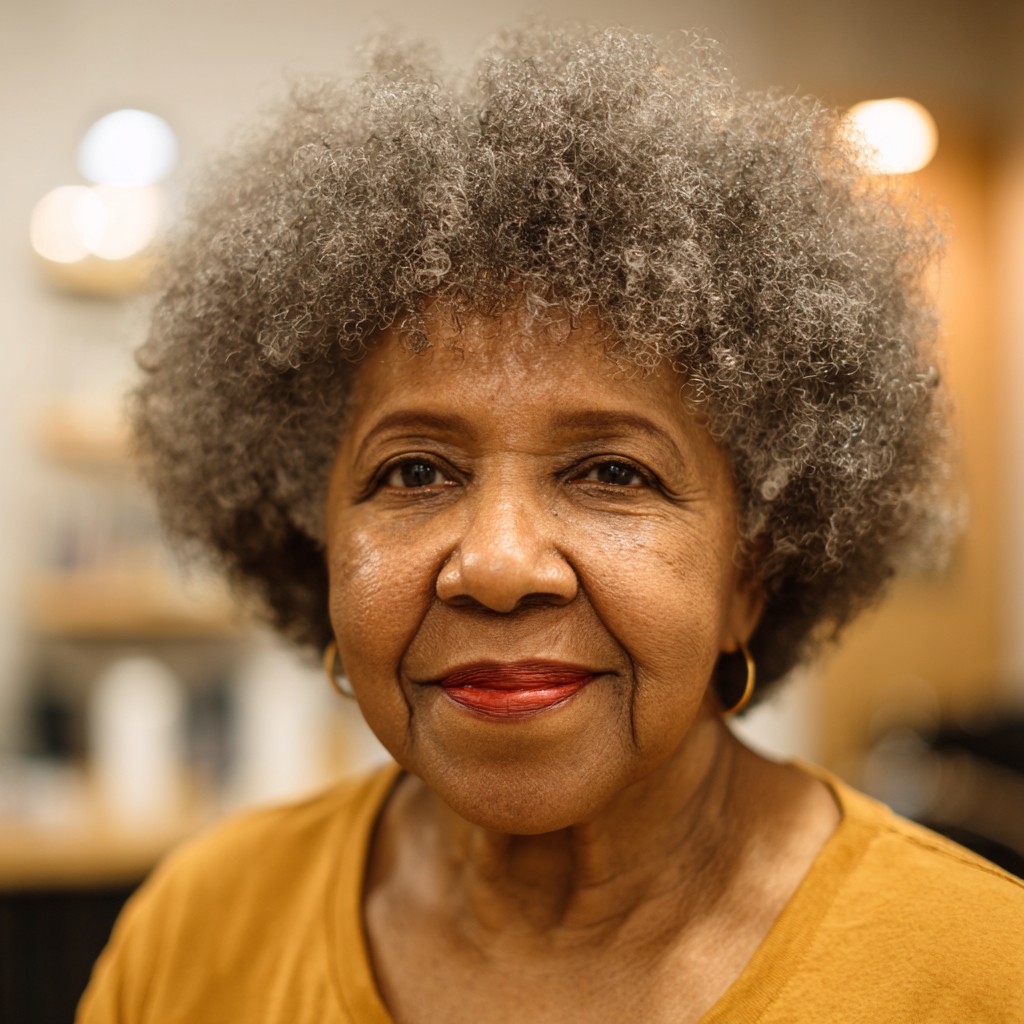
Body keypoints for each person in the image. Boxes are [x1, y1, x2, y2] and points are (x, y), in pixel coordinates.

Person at [78, 25, 1022, 1024]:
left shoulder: (978, 976)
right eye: (413, 471)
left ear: (751, 573)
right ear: (316, 543)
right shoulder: (194, 936)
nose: (497, 564)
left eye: (613, 472)